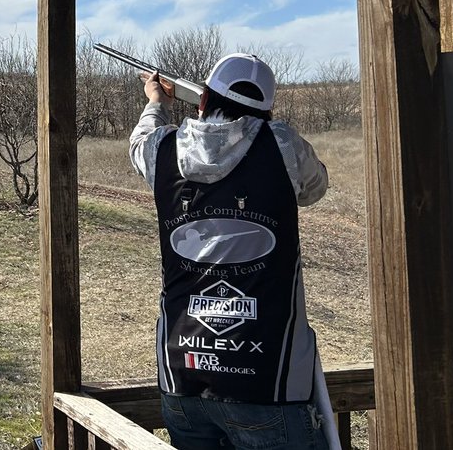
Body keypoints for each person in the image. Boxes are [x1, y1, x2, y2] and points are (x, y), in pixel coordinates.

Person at [129, 52, 330, 450]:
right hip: (268, 378)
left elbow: (140, 141)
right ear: (268, 110)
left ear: (203, 100)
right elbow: (315, 187)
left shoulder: (163, 147)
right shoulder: (284, 144)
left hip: (182, 373)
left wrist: (156, 101)